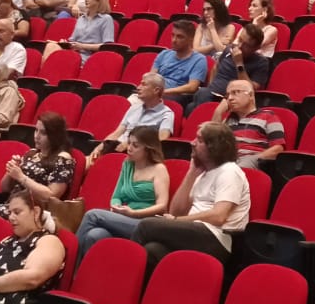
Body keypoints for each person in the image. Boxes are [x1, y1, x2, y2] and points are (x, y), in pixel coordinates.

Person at [131, 123, 250, 268]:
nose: (192, 143)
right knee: (152, 250)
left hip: (216, 238)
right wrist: (191, 174)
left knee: (146, 226)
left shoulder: (229, 171)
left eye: (199, 140)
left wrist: (177, 220)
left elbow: (219, 216)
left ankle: (124, 272)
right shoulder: (202, 174)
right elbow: (175, 211)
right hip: (194, 233)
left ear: (214, 147)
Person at [0, 113, 75, 228]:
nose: (37, 136)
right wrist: (11, 172)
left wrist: (21, 177)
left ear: (55, 135)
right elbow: (5, 188)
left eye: (43, 133)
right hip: (12, 204)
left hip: (34, 210)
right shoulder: (31, 153)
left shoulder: (63, 158)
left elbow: (51, 196)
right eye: (36, 130)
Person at [73, 127, 172, 260]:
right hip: (125, 218)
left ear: (148, 149)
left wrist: (134, 213)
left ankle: (69, 262)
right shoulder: (128, 165)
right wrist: (117, 207)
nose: (129, 148)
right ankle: (81, 271)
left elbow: (162, 206)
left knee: (92, 215)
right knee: (95, 235)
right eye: (129, 143)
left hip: (145, 223)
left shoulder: (159, 169)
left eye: (135, 145)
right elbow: (116, 197)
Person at [87, 73, 176, 166]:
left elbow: (161, 139)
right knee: (83, 162)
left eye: (144, 84)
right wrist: (99, 147)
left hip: (136, 156)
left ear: (156, 90)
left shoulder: (166, 114)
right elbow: (117, 132)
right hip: (115, 148)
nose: (138, 87)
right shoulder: (134, 108)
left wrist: (131, 144)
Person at [192, 24, 272, 112]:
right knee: (189, 105)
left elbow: (250, 89)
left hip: (229, 100)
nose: (240, 46)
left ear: (256, 48)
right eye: (240, 40)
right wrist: (210, 87)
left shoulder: (261, 62)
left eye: (246, 45)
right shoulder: (228, 50)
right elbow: (215, 68)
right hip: (210, 93)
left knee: (202, 94)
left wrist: (239, 63)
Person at [212, 79, 285, 169]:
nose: (230, 98)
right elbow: (211, 142)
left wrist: (254, 159)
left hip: (249, 161)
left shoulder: (268, 116)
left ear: (250, 95)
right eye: (228, 95)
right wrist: (218, 112)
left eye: (235, 93)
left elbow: (278, 149)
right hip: (226, 161)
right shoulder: (229, 119)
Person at [43, 0, 114, 63]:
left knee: (57, 58)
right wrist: (64, 43)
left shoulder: (106, 19)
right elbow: (73, 41)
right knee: (51, 46)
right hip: (74, 52)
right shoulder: (81, 18)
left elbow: (107, 46)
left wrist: (82, 46)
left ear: (99, 0)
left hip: (88, 56)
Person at [152, 20, 210, 103]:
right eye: (173, 35)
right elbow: (151, 76)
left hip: (175, 96)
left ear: (190, 39)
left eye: (180, 37)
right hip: (155, 92)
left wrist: (164, 92)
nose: (174, 40)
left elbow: (192, 87)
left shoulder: (199, 60)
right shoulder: (164, 54)